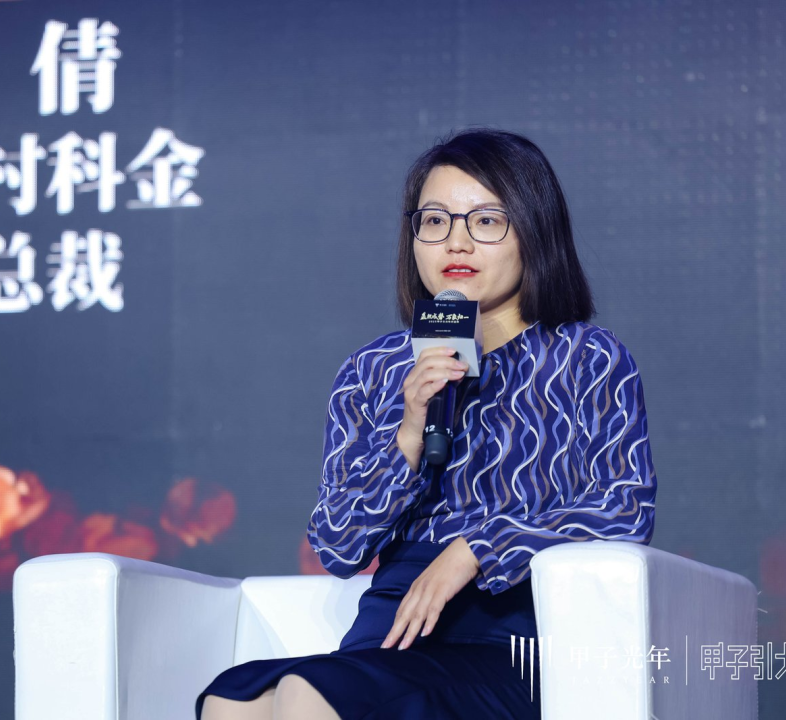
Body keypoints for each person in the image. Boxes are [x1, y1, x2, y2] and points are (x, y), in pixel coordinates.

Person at [196, 127, 658, 719]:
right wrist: (410, 431)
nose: (456, 242)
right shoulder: (373, 369)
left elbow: (624, 508)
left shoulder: (586, 358)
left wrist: (475, 549)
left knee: (308, 694)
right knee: (236, 699)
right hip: (393, 627)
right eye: (435, 220)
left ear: (533, 230)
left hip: (511, 630)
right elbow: (337, 545)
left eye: (486, 221)